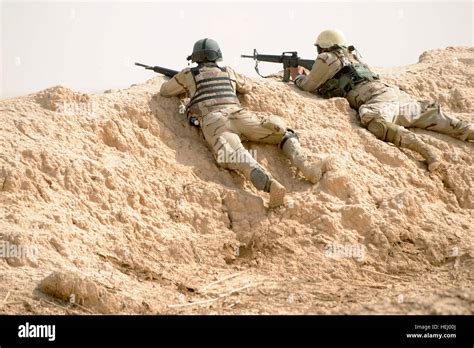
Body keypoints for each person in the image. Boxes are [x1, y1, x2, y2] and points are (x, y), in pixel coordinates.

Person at [160, 38, 330, 208]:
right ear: (217, 55)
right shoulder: (228, 71)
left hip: (214, 120)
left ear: (196, 57)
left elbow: (165, 90)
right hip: (239, 114)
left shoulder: (189, 74)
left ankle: (271, 185)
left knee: (234, 155)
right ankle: (308, 167)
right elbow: (247, 86)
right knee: (283, 134)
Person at [290, 29, 474, 171]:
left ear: (322, 47)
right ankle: (469, 131)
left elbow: (308, 86)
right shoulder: (354, 56)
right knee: (434, 116)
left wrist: (297, 76)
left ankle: (427, 152)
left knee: (373, 119)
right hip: (394, 96)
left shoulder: (326, 57)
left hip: (378, 100)